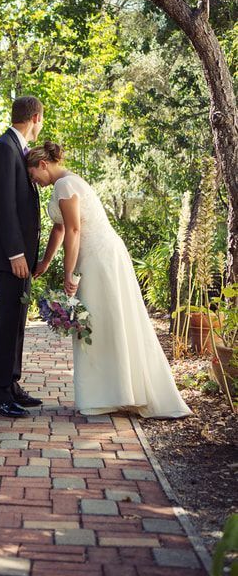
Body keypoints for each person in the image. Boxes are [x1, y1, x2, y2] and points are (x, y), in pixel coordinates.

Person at [26, 141, 191, 418]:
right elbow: (59, 228)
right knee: (99, 323)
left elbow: (74, 230)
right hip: (93, 256)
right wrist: (45, 261)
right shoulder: (64, 184)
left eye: (33, 175)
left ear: (43, 164)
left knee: (100, 321)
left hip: (98, 258)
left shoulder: (65, 186)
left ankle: (113, 393)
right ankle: (114, 392)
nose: (34, 181)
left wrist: (69, 274)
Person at [0, 96, 44, 418]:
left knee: (18, 323)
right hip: (9, 257)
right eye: (41, 119)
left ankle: (11, 383)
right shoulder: (4, 148)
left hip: (21, 258)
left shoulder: (19, 150)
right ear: (35, 117)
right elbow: (3, 206)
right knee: (5, 323)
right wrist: (17, 253)